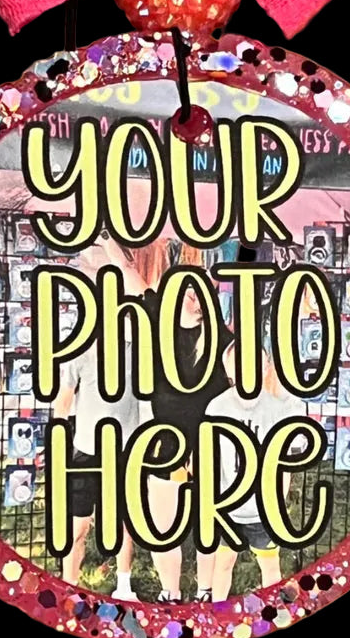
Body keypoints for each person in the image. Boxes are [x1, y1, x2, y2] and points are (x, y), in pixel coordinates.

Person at [52, 233, 149, 601]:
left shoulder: (138, 348)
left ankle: (124, 587)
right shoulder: (79, 350)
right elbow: (62, 403)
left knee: (124, 521)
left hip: (125, 451)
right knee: (77, 526)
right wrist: (58, 446)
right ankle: (70, 589)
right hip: (86, 452)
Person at [142, 251, 231, 603]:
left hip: (209, 445)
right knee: (163, 526)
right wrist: (105, 240)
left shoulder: (222, 338)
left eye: (201, 292)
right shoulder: (154, 321)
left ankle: (205, 592)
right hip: (165, 444)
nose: (195, 298)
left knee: (207, 522)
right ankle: (171, 594)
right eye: (188, 291)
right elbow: (129, 277)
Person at [205, 343, 308, 601]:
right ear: (229, 371)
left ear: (265, 368)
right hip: (227, 506)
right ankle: (217, 611)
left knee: (270, 566)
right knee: (223, 563)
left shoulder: (278, 410)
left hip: (263, 509)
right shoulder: (217, 408)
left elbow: (286, 461)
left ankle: (272, 609)